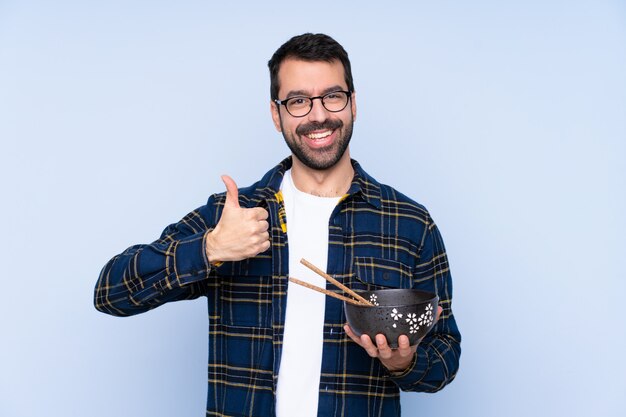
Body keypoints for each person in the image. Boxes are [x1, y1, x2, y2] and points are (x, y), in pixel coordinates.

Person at [94, 33, 461, 417]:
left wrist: (403, 363)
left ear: (353, 104)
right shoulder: (233, 216)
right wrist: (211, 249)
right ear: (276, 114)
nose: (318, 115)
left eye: (332, 97)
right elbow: (110, 293)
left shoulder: (409, 223)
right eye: (298, 101)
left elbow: (446, 355)